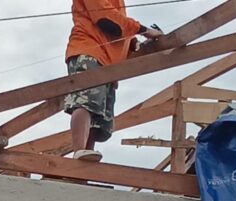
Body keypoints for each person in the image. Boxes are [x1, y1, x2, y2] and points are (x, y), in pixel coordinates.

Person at [65, 0, 163, 161]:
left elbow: (119, 29)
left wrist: (135, 43)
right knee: (86, 102)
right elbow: (107, 20)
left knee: (99, 117)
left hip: (108, 62)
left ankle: (85, 156)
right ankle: (79, 151)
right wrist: (145, 30)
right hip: (90, 52)